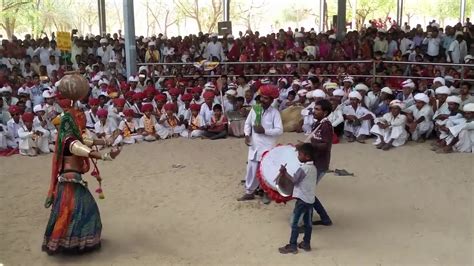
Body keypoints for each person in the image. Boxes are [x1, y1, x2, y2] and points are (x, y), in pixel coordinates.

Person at [42, 98, 121, 255]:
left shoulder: (71, 136)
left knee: (69, 212)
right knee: (82, 210)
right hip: (70, 181)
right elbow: (85, 150)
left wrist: (110, 139)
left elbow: (89, 141)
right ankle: (75, 244)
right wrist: (107, 157)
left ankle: (70, 242)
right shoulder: (69, 140)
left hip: (70, 180)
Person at [238, 85, 283, 201]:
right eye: (262, 97)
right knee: (251, 170)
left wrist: (265, 131)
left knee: (266, 171)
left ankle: (266, 193)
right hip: (254, 145)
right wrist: (247, 135)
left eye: (266, 98)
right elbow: (247, 124)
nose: (262, 100)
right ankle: (249, 192)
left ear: (272, 100)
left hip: (267, 147)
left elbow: (279, 130)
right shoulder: (255, 109)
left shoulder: (275, 113)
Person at [278, 143, 317, 254]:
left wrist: (284, 173)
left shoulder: (304, 168)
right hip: (310, 200)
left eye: (300, 154)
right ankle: (306, 243)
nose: (298, 156)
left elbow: (294, 181)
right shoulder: (313, 168)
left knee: (295, 224)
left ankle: (293, 245)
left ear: (307, 157)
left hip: (302, 200)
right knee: (308, 223)